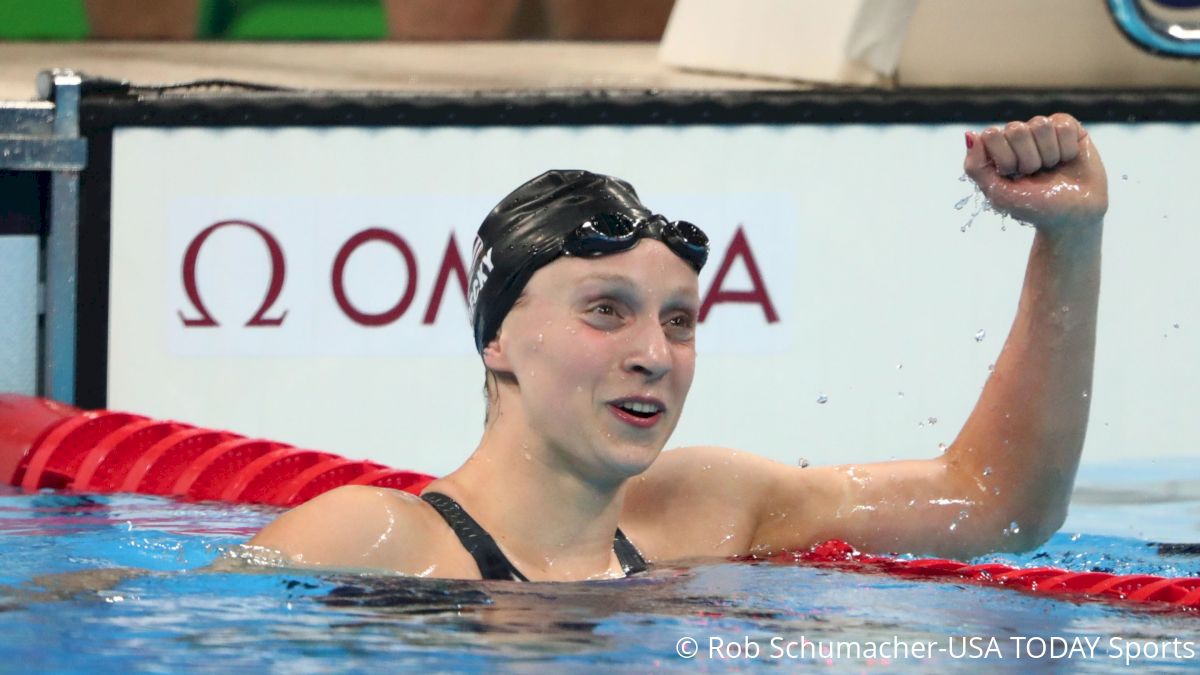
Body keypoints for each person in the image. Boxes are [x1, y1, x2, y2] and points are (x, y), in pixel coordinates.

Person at [248, 113, 1108, 582]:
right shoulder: (373, 538)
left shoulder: (706, 509)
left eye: (679, 320)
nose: (655, 354)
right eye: (606, 311)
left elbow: (1000, 505)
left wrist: (1070, 242)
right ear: (499, 338)